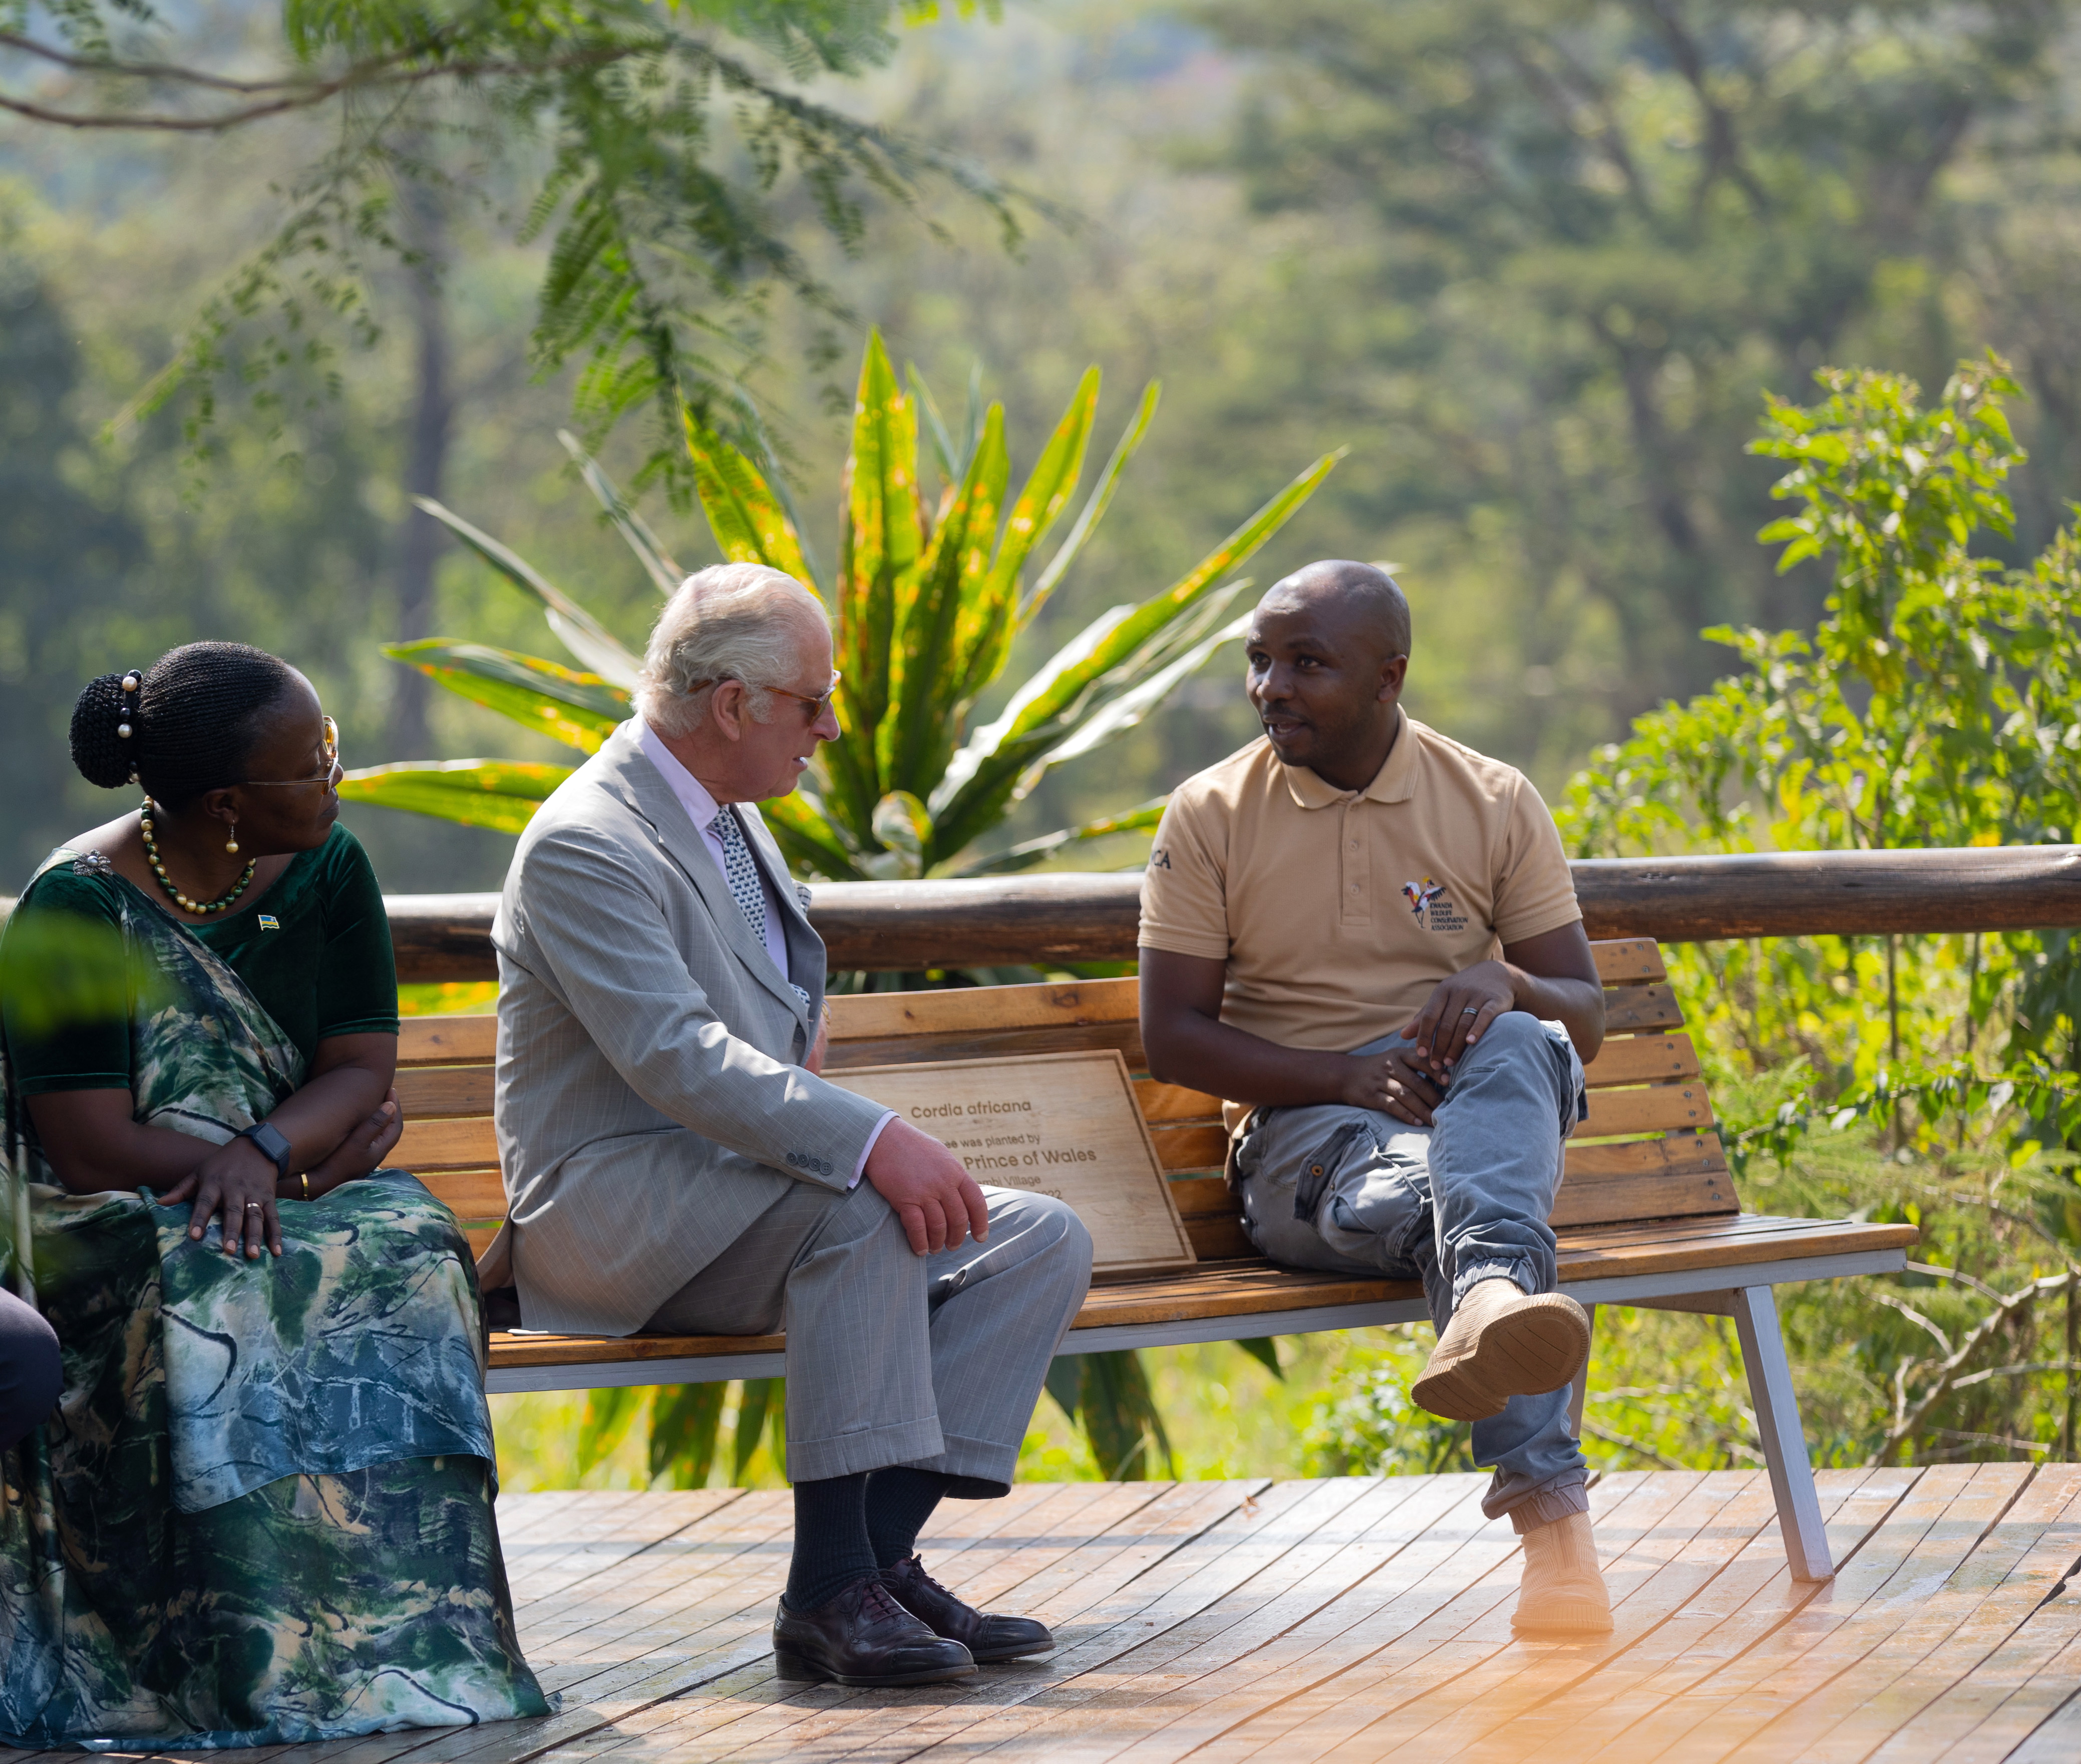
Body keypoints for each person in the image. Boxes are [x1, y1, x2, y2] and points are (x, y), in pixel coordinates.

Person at [485, 562, 1093, 1688]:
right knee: (866, 1208)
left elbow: (749, 1028)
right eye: (812, 703)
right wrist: (868, 1136)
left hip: (747, 1188)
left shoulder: (723, 816)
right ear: (732, 706)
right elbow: (673, 1054)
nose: (828, 727)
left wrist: (817, 1095)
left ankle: (876, 1559)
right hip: (613, 1210)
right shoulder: (587, 841)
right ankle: (824, 1596)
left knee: (1036, 1237)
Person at [0, 642, 550, 1746]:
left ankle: (410, 1645)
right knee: (218, 1275)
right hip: (112, 1217)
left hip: (275, 1180)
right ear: (226, 803)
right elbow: (86, 1137)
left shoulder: (331, 869)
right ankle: (238, 1656)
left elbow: (359, 1068)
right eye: (317, 762)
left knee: (408, 1242)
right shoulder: (76, 906)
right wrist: (283, 1167)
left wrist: (270, 1155)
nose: (336, 778)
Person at [1138, 560, 1614, 1636]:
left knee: (1519, 1037)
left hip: (1469, 1112)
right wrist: (1342, 1078)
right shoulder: (1210, 812)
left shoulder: (1489, 799)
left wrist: (1509, 979)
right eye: (1258, 661)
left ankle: (1490, 1293)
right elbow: (1170, 1035)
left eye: (1306, 664)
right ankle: (1553, 1527)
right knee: (1488, 1226)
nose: (1270, 686)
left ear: (1390, 675)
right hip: (1309, 1148)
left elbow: (1579, 1014)